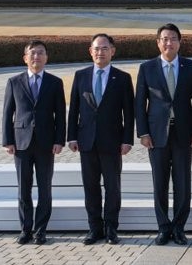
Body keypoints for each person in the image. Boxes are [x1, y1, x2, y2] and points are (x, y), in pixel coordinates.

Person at [136, 23, 192, 246]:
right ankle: (163, 227)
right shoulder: (147, 68)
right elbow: (140, 103)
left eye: (173, 38)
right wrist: (143, 132)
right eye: (165, 38)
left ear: (179, 42)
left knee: (183, 183)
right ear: (158, 42)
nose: (169, 42)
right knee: (160, 183)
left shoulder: (191, 67)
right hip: (156, 134)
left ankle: (179, 227)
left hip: (183, 133)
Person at [67, 33, 135, 245]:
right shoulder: (80, 76)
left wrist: (127, 140)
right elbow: (74, 110)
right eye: (96, 48)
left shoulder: (122, 78)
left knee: (113, 187)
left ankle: (111, 229)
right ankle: (94, 229)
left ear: (112, 51)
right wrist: (71, 137)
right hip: (86, 142)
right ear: (90, 51)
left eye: (105, 48)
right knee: (91, 187)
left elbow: (129, 113)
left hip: (112, 142)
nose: (100, 52)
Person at [1, 40, 66, 245]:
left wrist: (59, 141)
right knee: (24, 189)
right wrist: (7, 140)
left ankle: (40, 230)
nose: (36, 57)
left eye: (40, 53)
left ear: (46, 57)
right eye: (33, 53)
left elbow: (60, 116)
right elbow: (7, 113)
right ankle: (25, 229)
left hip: (47, 144)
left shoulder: (55, 83)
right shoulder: (14, 82)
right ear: (25, 58)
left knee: (45, 188)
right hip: (21, 143)